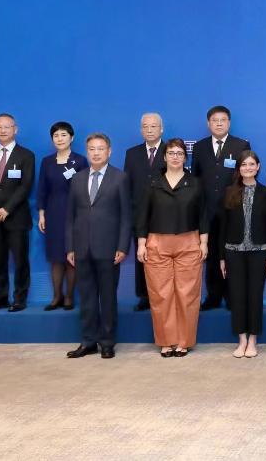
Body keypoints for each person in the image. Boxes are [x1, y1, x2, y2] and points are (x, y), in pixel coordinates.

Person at [136, 138, 210, 357]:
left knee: (187, 294)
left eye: (179, 153)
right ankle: (166, 341)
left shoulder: (195, 183)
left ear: (185, 158)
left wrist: (204, 242)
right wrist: (141, 244)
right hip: (157, 243)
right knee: (161, 295)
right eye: (171, 153)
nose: (175, 157)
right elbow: (142, 216)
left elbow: (203, 215)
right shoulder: (152, 183)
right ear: (165, 157)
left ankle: (184, 342)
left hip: (189, 242)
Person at [64, 133, 131, 359]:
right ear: (87, 152)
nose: (96, 153)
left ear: (109, 151)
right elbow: (70, 216)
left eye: (100, 148)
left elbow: (126, 216)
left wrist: (122, 246)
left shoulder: (120, 177)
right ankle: (88, 341)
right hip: (82, 249)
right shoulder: (78, 178)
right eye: (92, 149)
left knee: (108, 298)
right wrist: (70, 247)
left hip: (109, 249)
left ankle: (108, 342)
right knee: (87, 298)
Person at [191, 105, 251, 310]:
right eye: (214, 120)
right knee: (211, 254)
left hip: (233, 210)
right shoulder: (199, 147)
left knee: (232, 254)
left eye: (223, 120)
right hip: (207, 211)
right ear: (208, 123)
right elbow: (195, 179)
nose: (219, 124)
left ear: (229, 123)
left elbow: (246, 176)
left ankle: (233, 295)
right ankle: (213, 296)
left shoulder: (241, 145)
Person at [218, 150, 266, 358]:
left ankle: (253, 340)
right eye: (244, 164)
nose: (248, 168)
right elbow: (222, 227)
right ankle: (241, 339)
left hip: (258, 252)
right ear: (239, 168)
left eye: (252, 164)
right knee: (237, 297)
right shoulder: (229, 192)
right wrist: (222, 257)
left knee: (255, 297)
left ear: (258, 167)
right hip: (233, 252)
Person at [0, 113, 36, 313]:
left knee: (20, 260)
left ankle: (19, 299)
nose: (3, 130)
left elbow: (25, 186)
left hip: (17, 217)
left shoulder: (26, 155)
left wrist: (6, 209)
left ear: (15, 129)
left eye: (7, 127)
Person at [36, 121, 87, 311]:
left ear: (71, 138)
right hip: (53, 213)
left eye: (63, 135)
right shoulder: (47, 162)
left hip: (75, 213)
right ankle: (56, 296)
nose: (60, 139)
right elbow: (42, 189)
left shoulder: (80, 161)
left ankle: (69, 297)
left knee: (71, 255)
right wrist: (42, 214)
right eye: (56, 135)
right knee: (56, 257)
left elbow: (86, 190)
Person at [123, 112, 166, 311]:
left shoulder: (170, 150)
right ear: (141, 130)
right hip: (139, 214)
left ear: (161, 129)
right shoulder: (132, 153)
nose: (149, 130)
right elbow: (127, 185)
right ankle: (144, 295)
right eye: (145, 126)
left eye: (153, 126)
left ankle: (162, 294)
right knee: (142, 256)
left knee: (163, 257)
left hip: (164, 214)